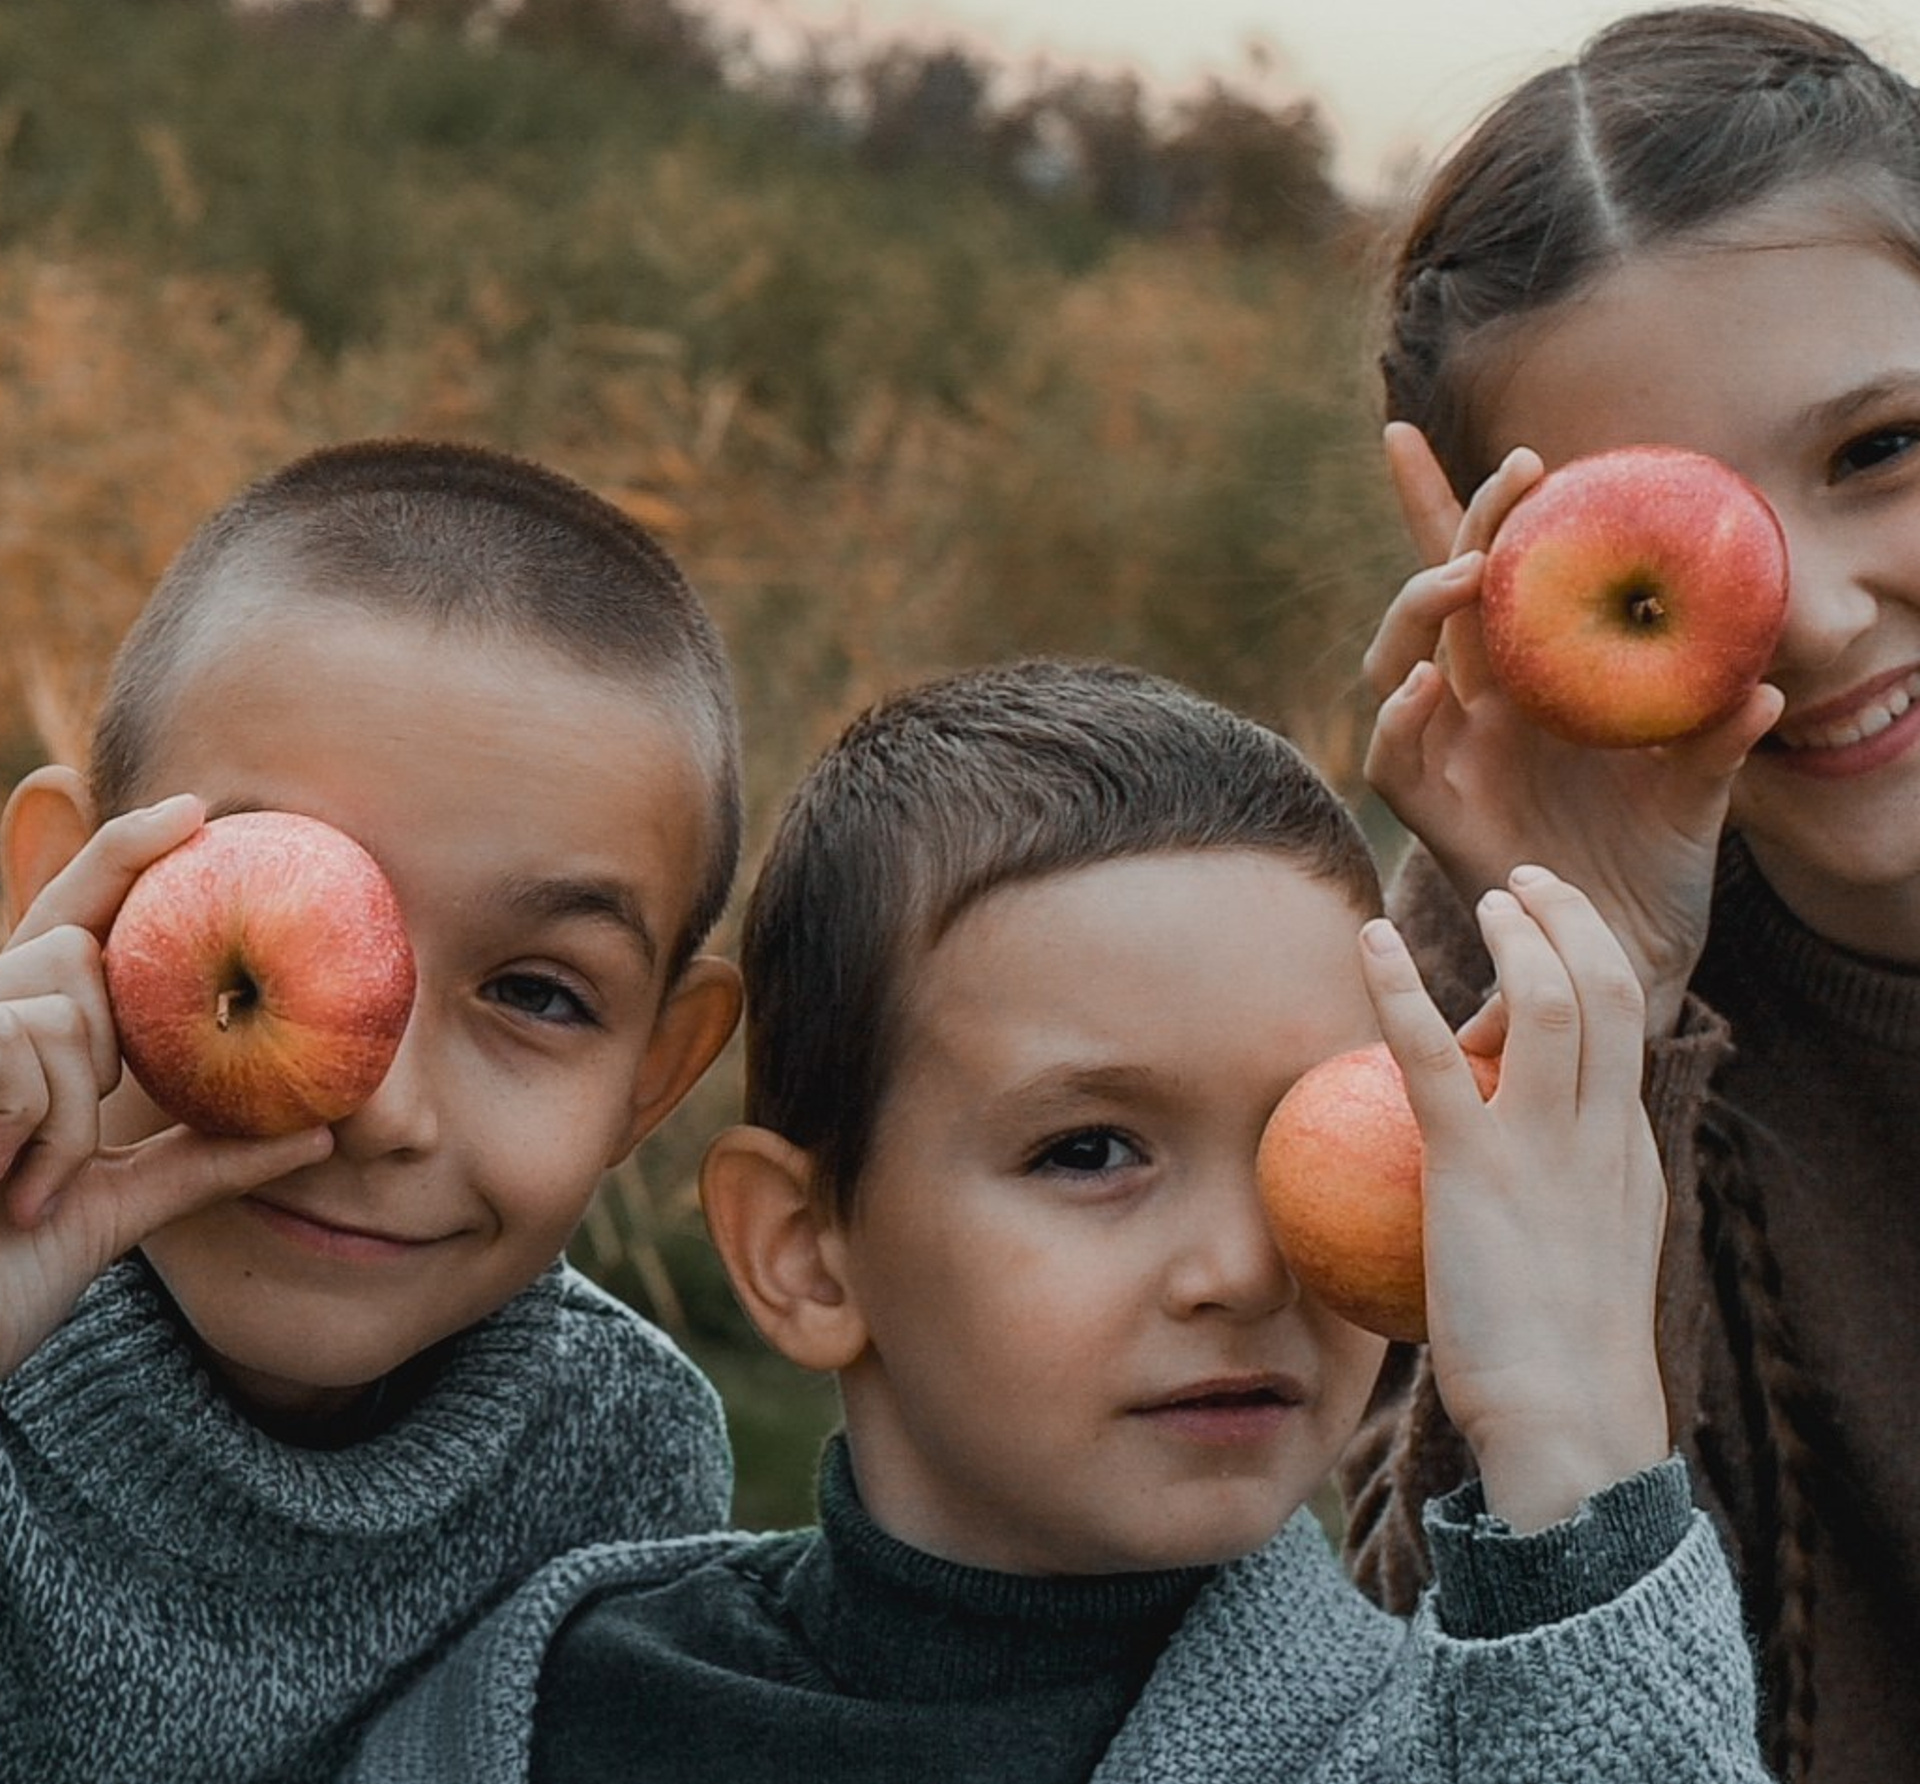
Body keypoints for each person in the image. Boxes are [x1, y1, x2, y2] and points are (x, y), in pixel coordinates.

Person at [349, 656, 1769, 1784]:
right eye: (1090, 1151)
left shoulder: (1465, 1743)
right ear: (804, 1253)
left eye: (1311, 1139)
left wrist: (1580, 1468)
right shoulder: (532, 1709)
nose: (1244, 1269)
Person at [1337, 0, 1920, 1783]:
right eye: (1665, 537)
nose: (1812, 616)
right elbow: (1439, 1709)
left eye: (1881, 450)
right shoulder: (1513, 964)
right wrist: (1614, 1009)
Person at [0, 439, 748, 1784]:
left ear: (653, 1075)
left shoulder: (626, 1459)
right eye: (260, 939)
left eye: (537, 993)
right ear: (63, 892)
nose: (376, 1107)